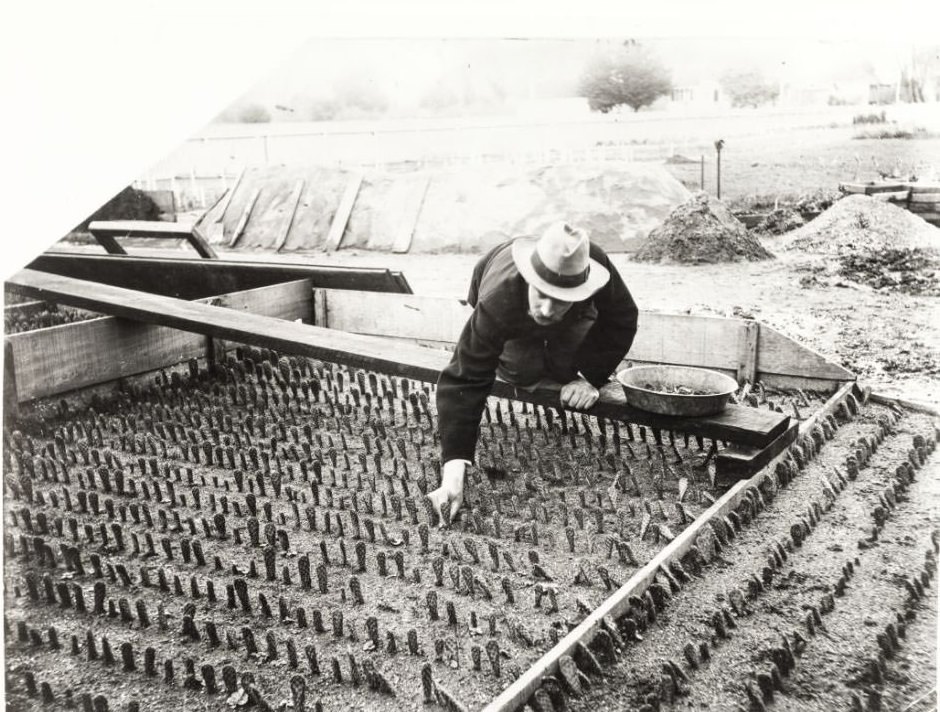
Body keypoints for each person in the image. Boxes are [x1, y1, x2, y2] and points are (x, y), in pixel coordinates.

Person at [426, 221, 639, 524]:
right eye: (542, 293)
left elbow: (623, 318)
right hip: (501, 293)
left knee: (565, 366)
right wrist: (453, 473)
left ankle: (565, 338)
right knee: (522, 371)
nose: (548, 309)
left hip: (568, 314)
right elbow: (465, 377)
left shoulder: (596, 265)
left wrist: (591, 376)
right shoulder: (499, 298)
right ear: (529, 279)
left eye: (562, 299)